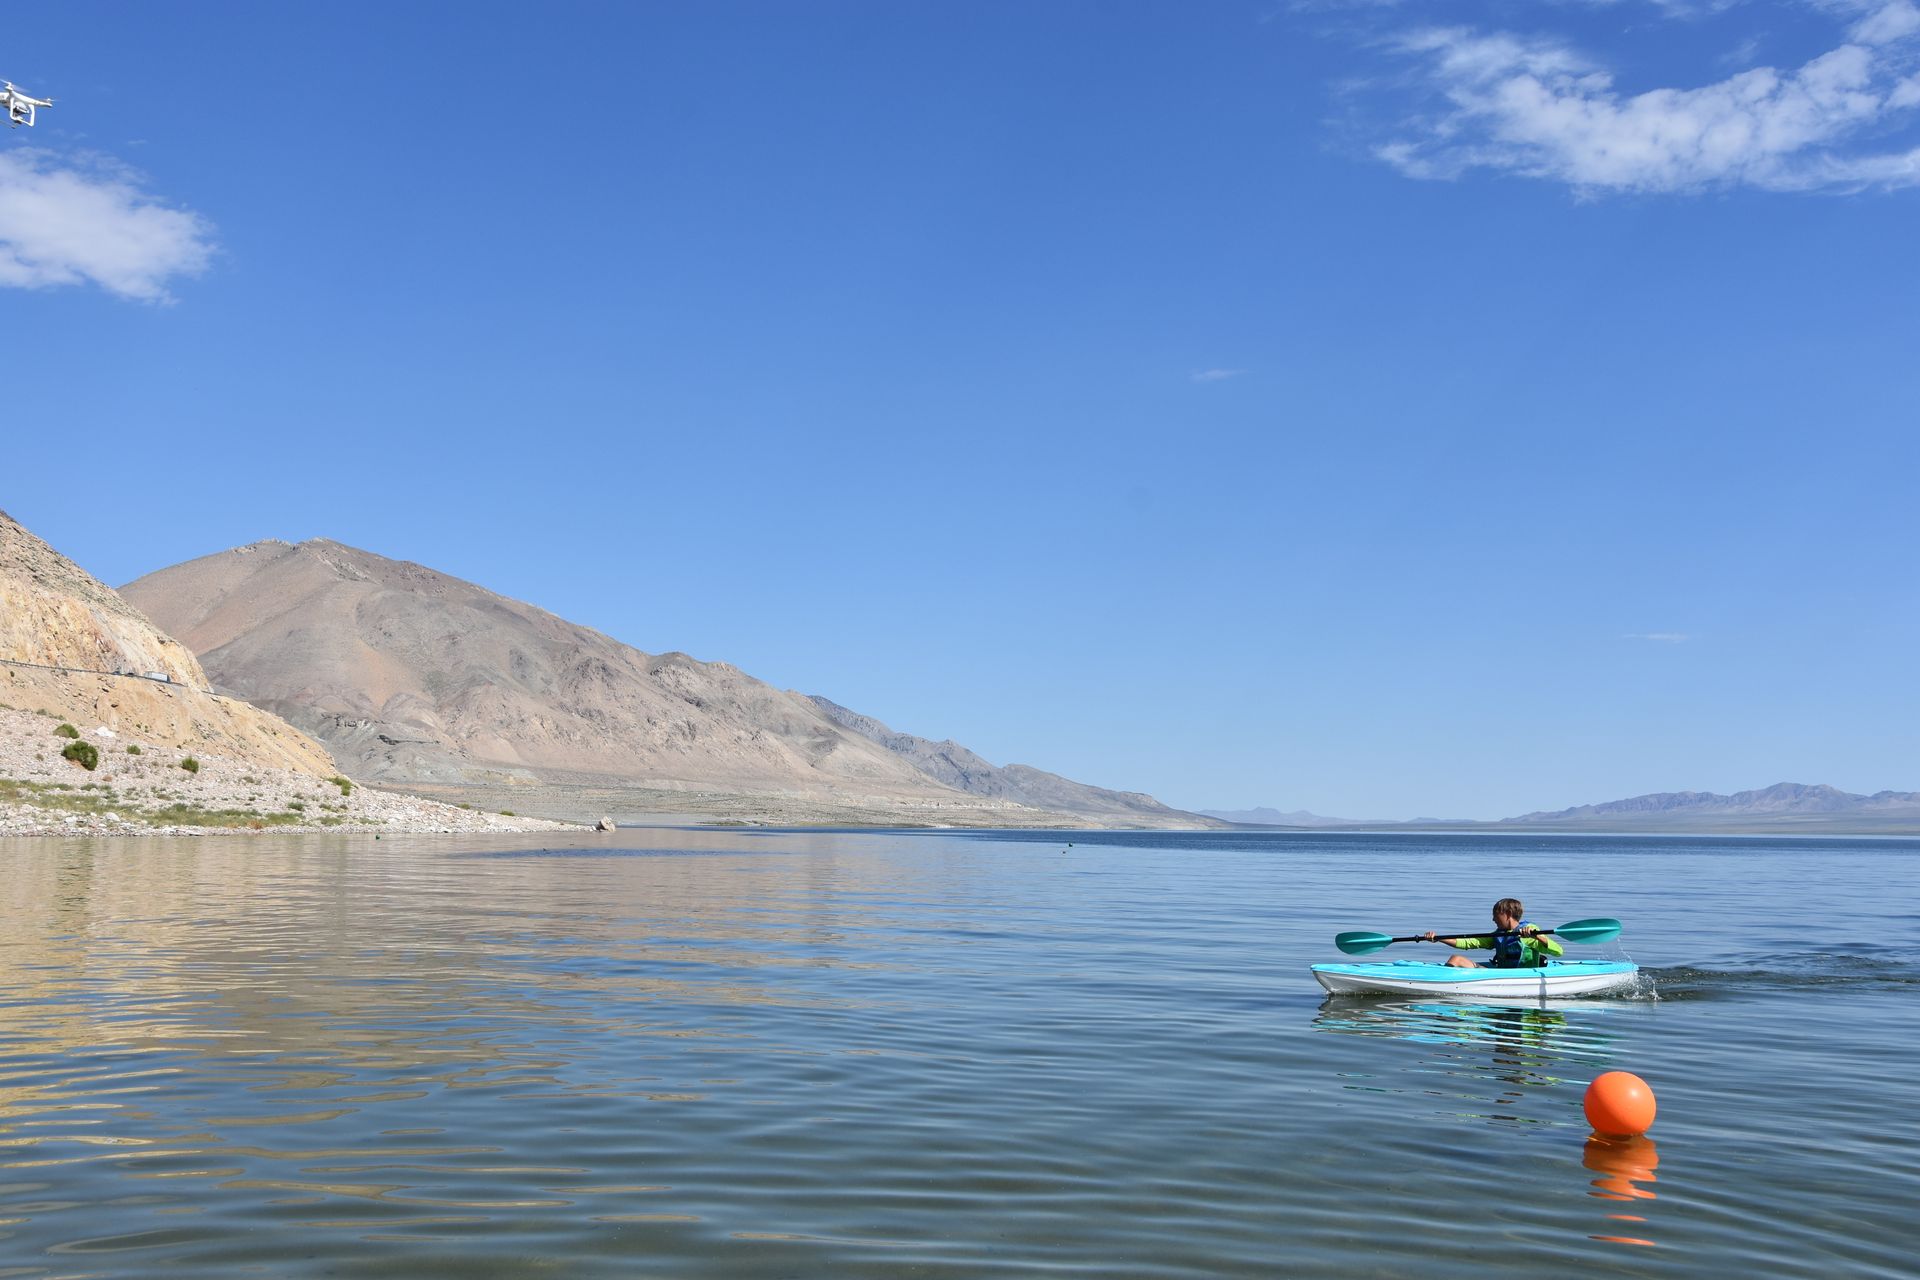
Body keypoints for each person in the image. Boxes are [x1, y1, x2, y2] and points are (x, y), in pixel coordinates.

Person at [1424, 898, 1564, 969]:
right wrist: (1438, 939)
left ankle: (1446, 985)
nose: (1493, 919)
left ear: (1508, 914)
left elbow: (1558, 952)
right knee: (1456, 959)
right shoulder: (1498, 934)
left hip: (1518, 977)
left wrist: (1538, 937)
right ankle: (1445, 981)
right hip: (1499, 972)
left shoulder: (1529, 931)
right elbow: (1467, 942)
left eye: (1496, 915)